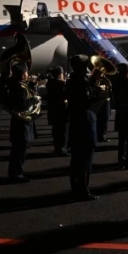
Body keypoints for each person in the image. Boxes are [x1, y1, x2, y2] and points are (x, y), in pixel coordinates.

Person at [66, 54, 103, 199]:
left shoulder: (73, 80)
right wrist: (97, 91)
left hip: (77, 121)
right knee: (85, 158)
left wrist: (92, 81)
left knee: (77, 157)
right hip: (85, 121)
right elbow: (87, 100)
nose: (87, 69)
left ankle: (76, 187)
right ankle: (82, 190)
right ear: (81, 67)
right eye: (85, 66)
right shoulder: (79, 82)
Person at [0, 61, 39, 181]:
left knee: (18, 149)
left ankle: (15, 172)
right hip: (21, 123)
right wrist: (34, 99)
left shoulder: (16, 85)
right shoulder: (19, 87)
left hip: (19, 122)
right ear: (23, 74)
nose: (28, 74)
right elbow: (22, 105)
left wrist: (32, 86)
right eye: (26, 72)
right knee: (20, 150)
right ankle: (17, 174)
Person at [46, 66, 69, 156]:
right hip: (62, 109)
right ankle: (62, 149)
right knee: (63, 131)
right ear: (60, 74)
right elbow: (66, 95)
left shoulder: (50, 83)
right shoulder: (62, 83)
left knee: (55, 131)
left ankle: (57, 148)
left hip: (53, 109)